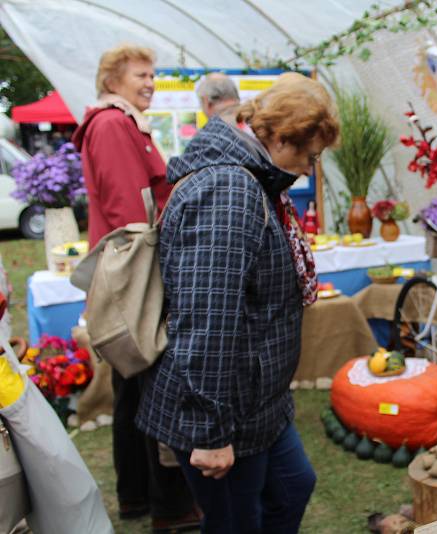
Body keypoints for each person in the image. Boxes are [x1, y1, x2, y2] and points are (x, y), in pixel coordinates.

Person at [136, 72, 339, 533]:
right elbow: (207, 316)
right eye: (309, 157)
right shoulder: (229, 191)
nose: (308, 169)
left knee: (293, 486)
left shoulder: (251, 178)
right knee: (235, 522)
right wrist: (209, 433)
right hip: (222, 408)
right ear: (282, 137)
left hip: (258, 400)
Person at [72, 44, 200, 533]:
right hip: (135, 274)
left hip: (133, 270)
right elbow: (132, 213)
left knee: (132, 389)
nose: (150, 82)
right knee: (151, 386)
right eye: (141, 75)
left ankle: (137, 496)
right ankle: (167, 506)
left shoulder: (122, 123)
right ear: (112, 80)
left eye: (153, 75)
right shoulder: (111, 125)